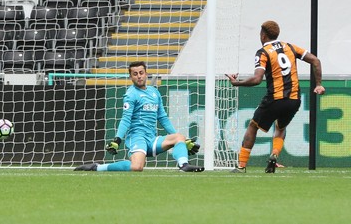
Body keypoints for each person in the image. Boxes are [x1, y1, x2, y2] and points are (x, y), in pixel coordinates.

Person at [225, 20, 325, 173]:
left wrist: (236, 83)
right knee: (281, 126)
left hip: (275, 98)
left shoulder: (263, 52)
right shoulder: (290, 47)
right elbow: (315, 61)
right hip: (294, 99)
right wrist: (318, 84)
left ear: (263, 35)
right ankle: (274, 155)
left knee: (253, 126)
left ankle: (241, 166)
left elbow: (257, 79)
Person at [75, 61, 204, 172]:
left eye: (141, 73)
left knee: (179, 137)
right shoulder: (131, 94)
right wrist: (117, 140)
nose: (139, 76)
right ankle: (97, 167)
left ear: (146, 74)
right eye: (135, 74)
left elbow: (163, 118)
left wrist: (183, 141)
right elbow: (126, 118)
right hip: (137, 138)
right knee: (137, 167)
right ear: (131, 77)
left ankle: (184, 165)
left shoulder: (154, 92)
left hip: (152, 139)